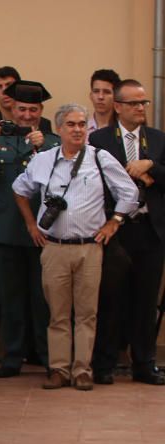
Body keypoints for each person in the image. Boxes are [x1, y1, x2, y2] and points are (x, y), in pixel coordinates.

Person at [13, 103, 139, 390]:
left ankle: (82, 369)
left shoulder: (100, 158)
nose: (78, 129)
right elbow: (20, 190)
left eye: (82, 124)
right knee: (57, 314)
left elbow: (129, 192)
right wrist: (32, 225)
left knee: (86, 313)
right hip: (54, 247)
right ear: (59, 129)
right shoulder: (43, 160)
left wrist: (114, 222)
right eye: (71, 124)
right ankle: (58, 369)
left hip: (89, 247)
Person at [0, 80, 59, 378]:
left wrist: (42, 148)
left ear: (41, 110)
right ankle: (12, 356)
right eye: (21, 109)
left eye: (33, 109)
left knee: (42, 298)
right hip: (4, 229)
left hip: (42, 228)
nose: (26, 115)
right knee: (9, 297)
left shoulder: (51, 141)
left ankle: (45, 354)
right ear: (11, 108)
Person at [90, 79, 165, 385]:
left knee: (146, 301)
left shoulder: (158, 140)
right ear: (118, 106)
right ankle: (105, 362)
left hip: (150, 230)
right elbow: (95, 182)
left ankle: (144, 363)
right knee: (111, 299)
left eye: (143, 103)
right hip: (116, 230)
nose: (140, 108)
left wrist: (151, 168)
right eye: (134, 103)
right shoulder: (101, 139)